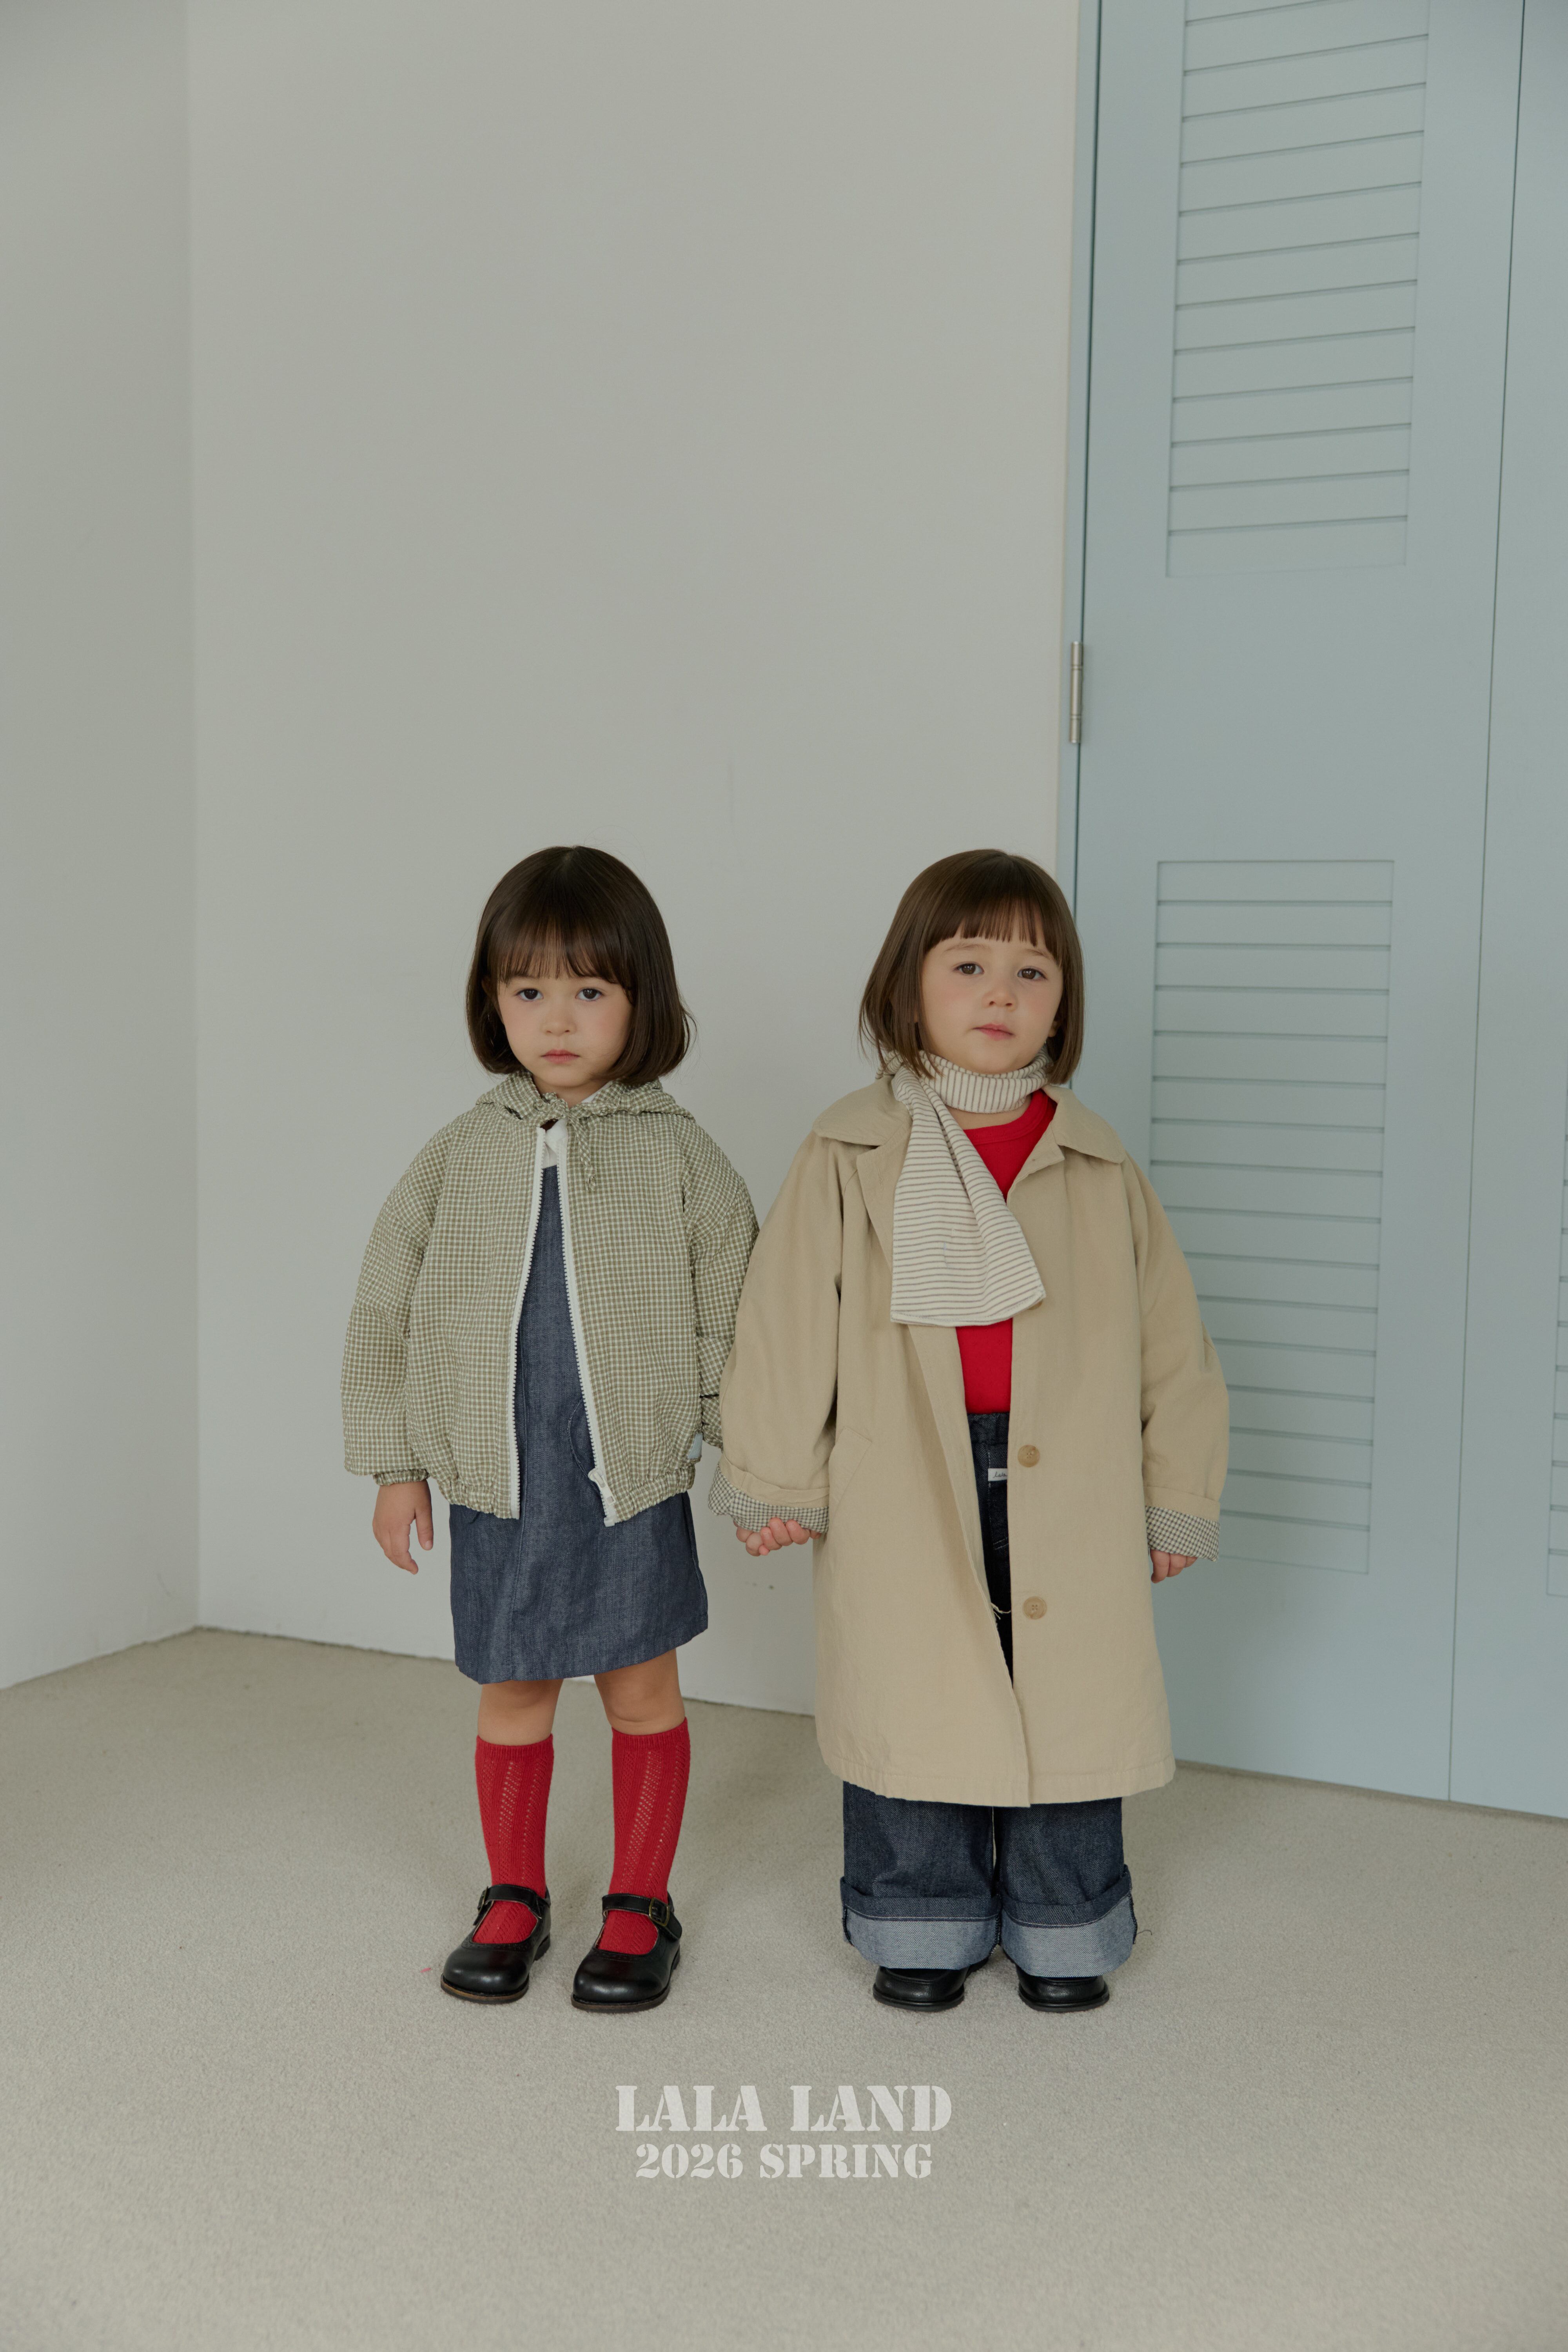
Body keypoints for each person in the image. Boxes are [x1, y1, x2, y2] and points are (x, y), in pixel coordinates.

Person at [711, 848, 1227, 2013]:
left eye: (1032, 971)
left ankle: (1066, 1923)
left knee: (1069, 1696)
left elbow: (1174, 1345)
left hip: (1075, 1478)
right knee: (915, 1685)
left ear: (1063, 1002)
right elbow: (786, 1322)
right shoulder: (847, 1150)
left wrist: (1176, 1494)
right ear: (909, 987)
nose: (1001, 992)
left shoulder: (1098, 1163)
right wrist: (775, 1477)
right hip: (905, 1474)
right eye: (969, 964)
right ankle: (920, 1918)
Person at [343, 845, 755, 2012]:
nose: (558, 1020)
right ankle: (514, 1895)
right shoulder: (461, 1152)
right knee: (515, 1690)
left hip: (628, 1480)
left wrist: (753, 1464)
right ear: (493, 1002)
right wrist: (396, 1462)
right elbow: (385, 1303)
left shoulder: (681, 1155)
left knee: (642, 1691)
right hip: (499, 1481)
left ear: (643, 1000)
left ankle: (640, 1901)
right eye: (528, 991)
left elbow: (738, 1313)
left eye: (590, 990)